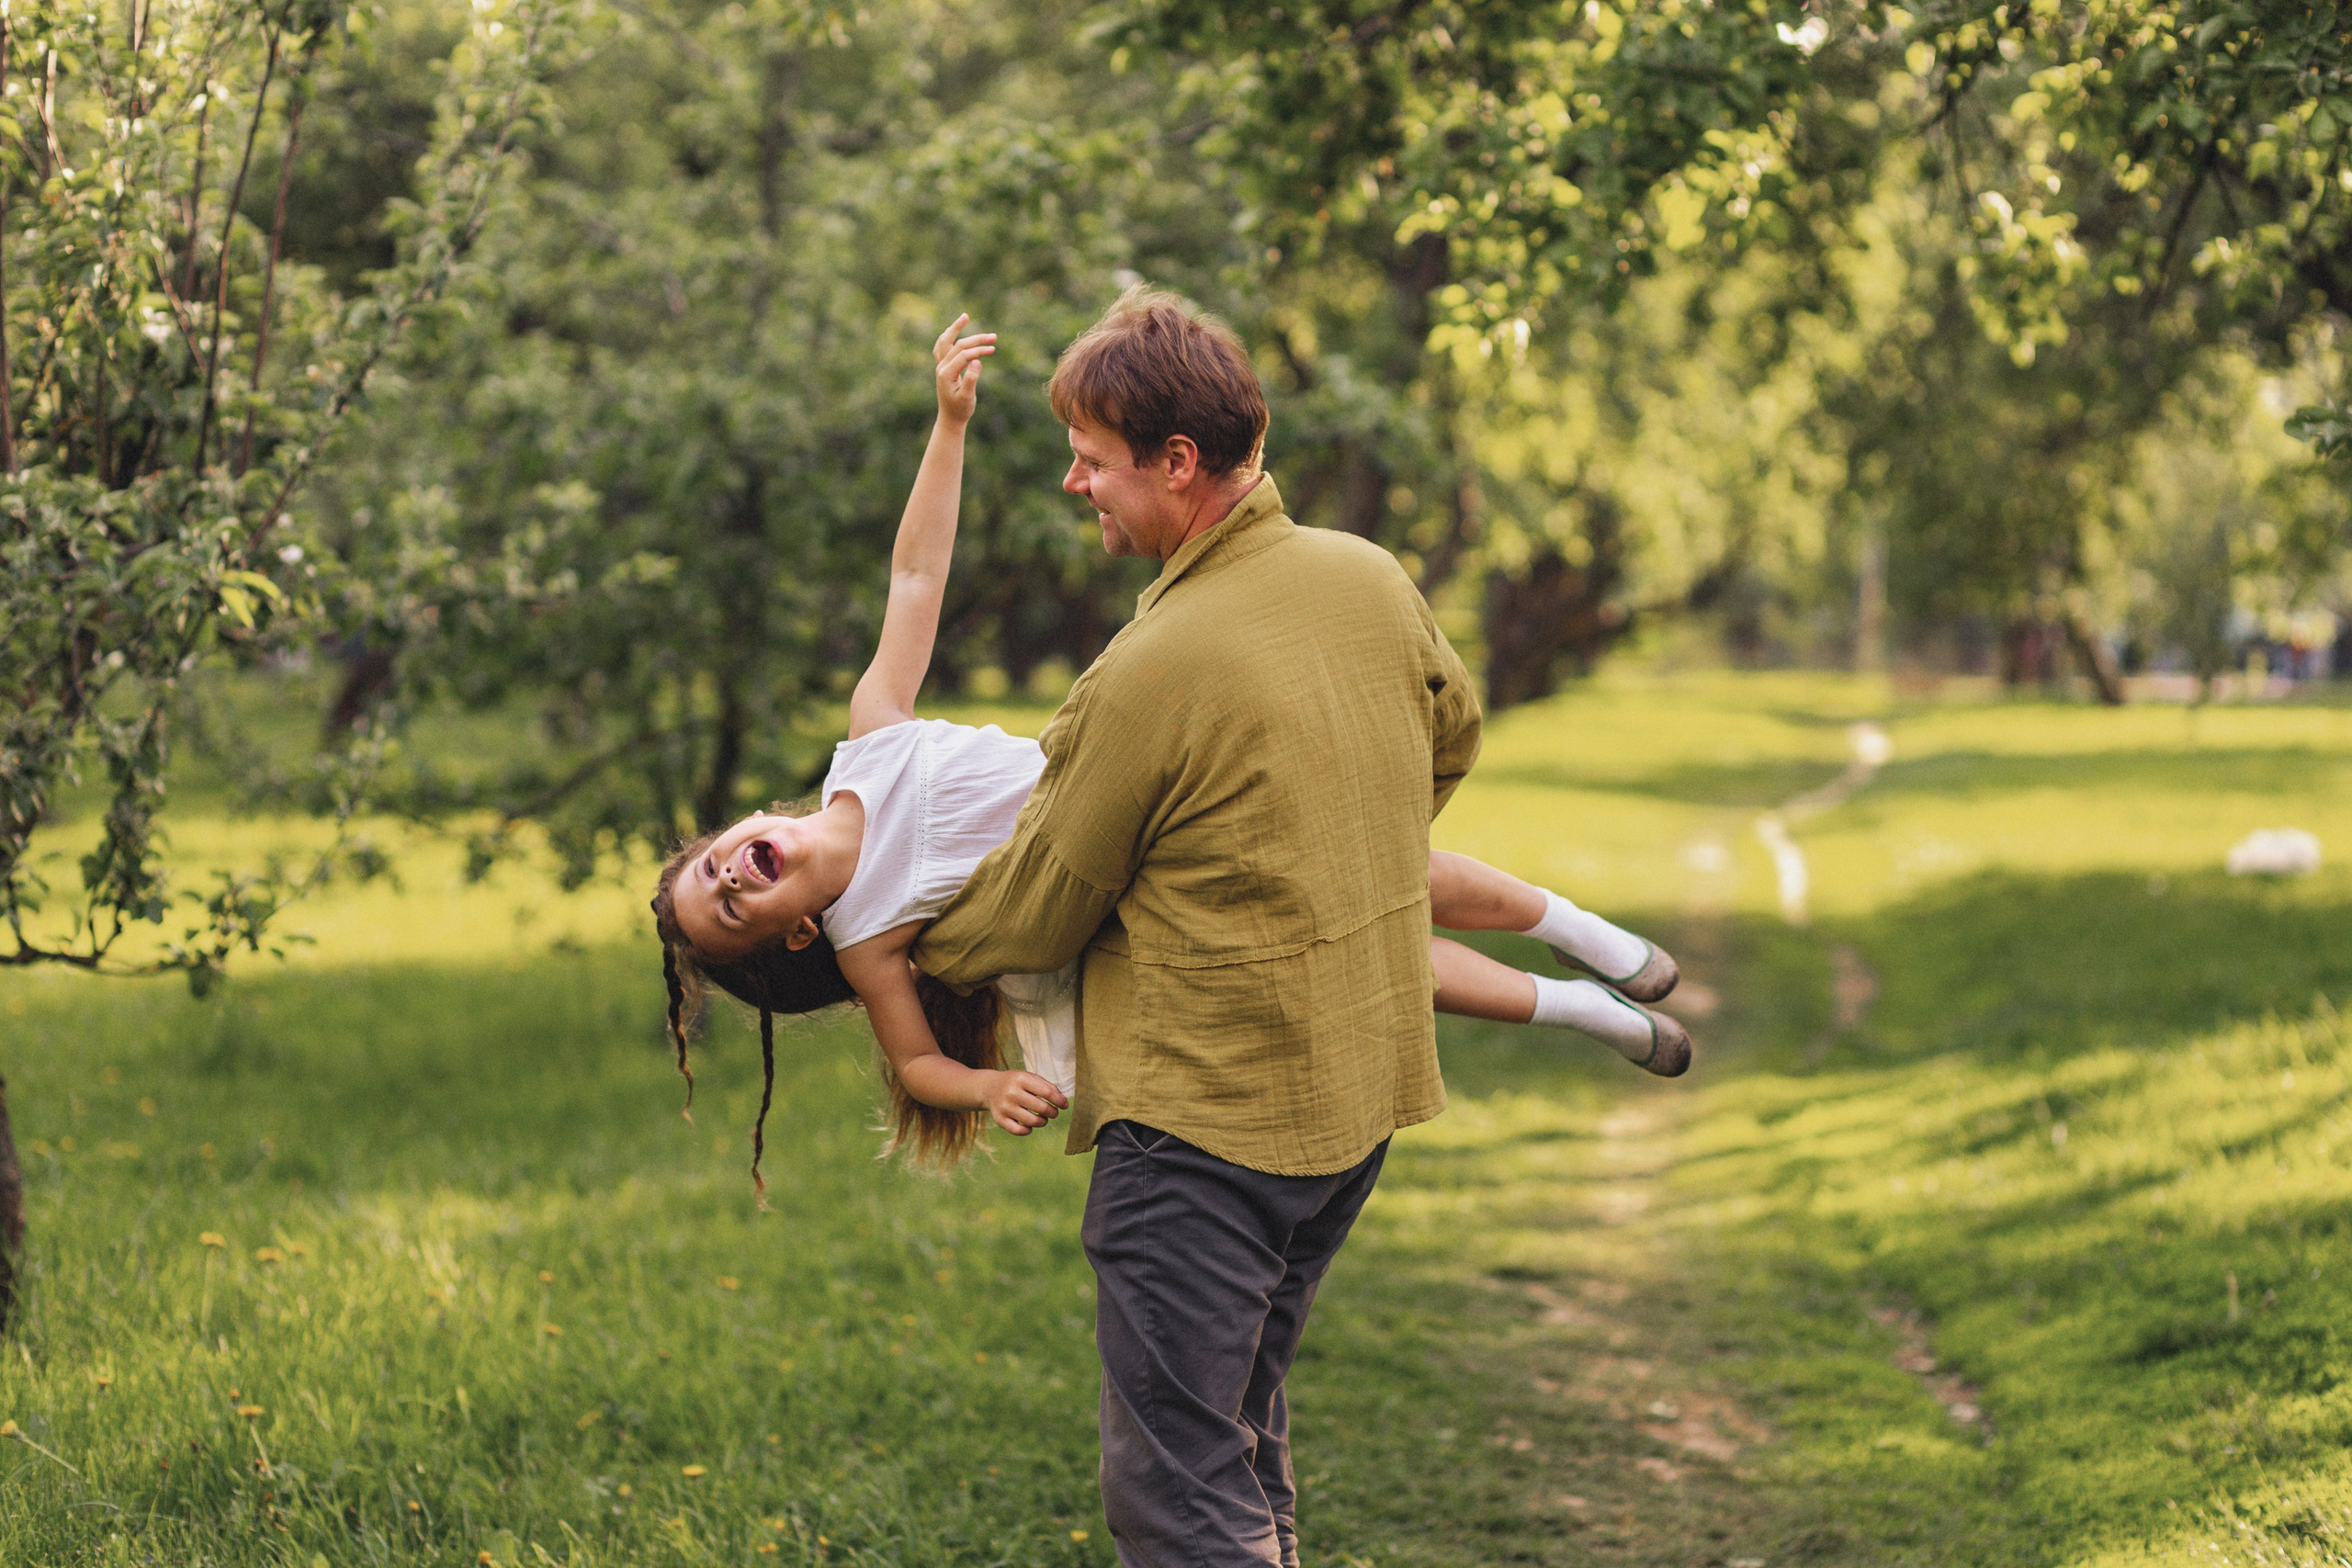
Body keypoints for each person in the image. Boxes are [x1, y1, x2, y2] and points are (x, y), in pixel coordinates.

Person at [647, 310, 1690, 1184]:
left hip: (1164, 797)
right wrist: (986, 1086)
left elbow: (916, 579)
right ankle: (1588, 1016)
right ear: (791, 937)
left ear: (741, 828)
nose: (734, 877)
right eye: (734, 908)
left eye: (713, 867)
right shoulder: (872, 938)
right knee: (1389, 958)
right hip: (1147, 873)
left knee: (1400, 873)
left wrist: (950, 424)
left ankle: (1593, 938)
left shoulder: (869, 743)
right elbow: (917, 1064)